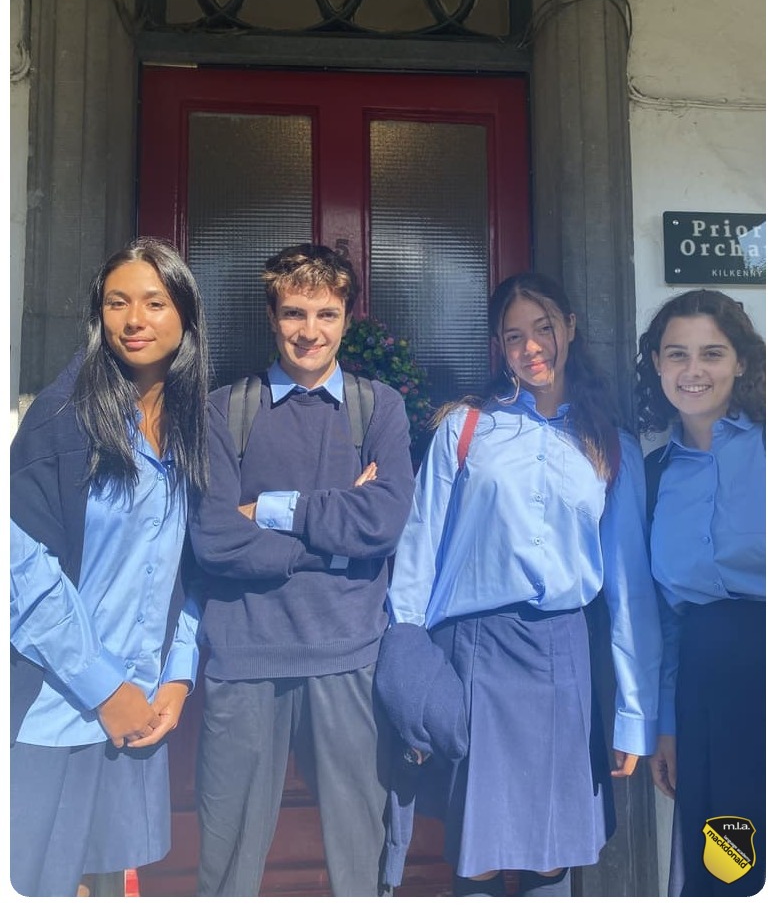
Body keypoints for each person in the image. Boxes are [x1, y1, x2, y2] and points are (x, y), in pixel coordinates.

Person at [381, 272, 662, 896]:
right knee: (477, 851)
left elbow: (629, 591)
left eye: (543, 328)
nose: (531, 346)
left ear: (569, 328)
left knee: (550, 855)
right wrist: (405, 668)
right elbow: (419, 551)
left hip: (565, 658)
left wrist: (633, 715)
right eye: (514, 336)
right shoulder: (466, 430)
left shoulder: (610, 446)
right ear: (498, 347)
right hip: (474, 654)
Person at [188, 243, 415, 896]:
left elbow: (384, 524)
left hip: (348, 655)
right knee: (227, 869)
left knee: (361, 866)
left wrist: (272, 511)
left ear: (348, 318)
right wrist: (336, 544)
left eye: (326, 313)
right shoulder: (225, 410)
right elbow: (215, 540)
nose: (309, 331)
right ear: (271, 315)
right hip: (245, 660)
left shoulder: (380, 410)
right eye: (294, 313)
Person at [10, 236, 210, 896]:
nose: (134, 320)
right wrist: (106, 688)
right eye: (117, 303)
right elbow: (23, 567)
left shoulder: (188, 429)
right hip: (57, 712)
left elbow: (191, 565)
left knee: (104, 884)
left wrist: (178, 676)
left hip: (141, 712)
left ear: (184, 315)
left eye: (154, 303)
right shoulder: (61, 421)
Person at [635, 289, 765, 897]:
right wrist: (667, 726)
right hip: (704, 696)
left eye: (712, 353)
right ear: (657, 365)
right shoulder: (654, 474)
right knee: (727, 860)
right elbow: (669, 617)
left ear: (741, 362)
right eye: (676, 354)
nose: (694, 371)